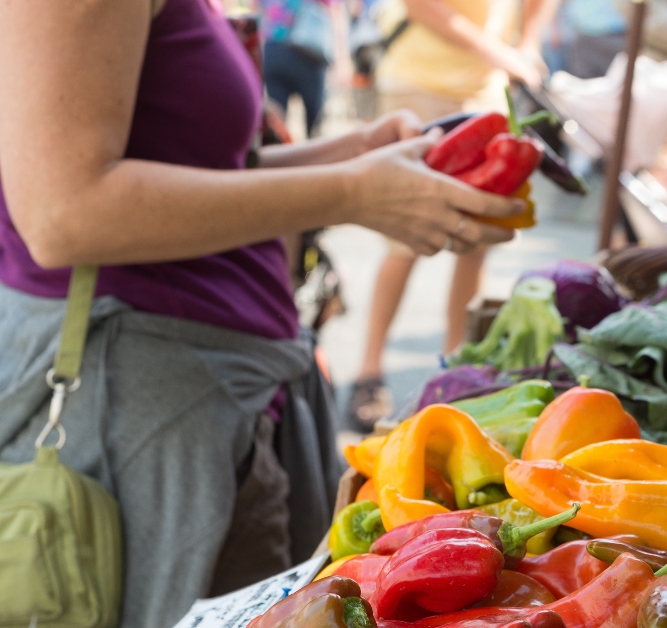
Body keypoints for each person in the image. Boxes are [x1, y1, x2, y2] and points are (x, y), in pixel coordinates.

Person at [0, 0, 523, 625]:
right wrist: (355, 190)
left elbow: (194, 170)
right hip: (146, 425)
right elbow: (65, 214)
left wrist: (353, 157)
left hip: (209, 403)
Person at [346, 0, 557, 428]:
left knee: (477, 236)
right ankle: (368, 373)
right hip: (418, 80)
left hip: (486, 88)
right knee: (403, 236)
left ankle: (455, 373)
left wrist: (528, 43)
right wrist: (499, 52)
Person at [261, 0, 349, 135]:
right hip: (308, 52)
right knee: (314, 127)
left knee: (276, 125)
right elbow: (335, 9)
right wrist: (341, 58)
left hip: (274, 48)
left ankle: (280, 152)